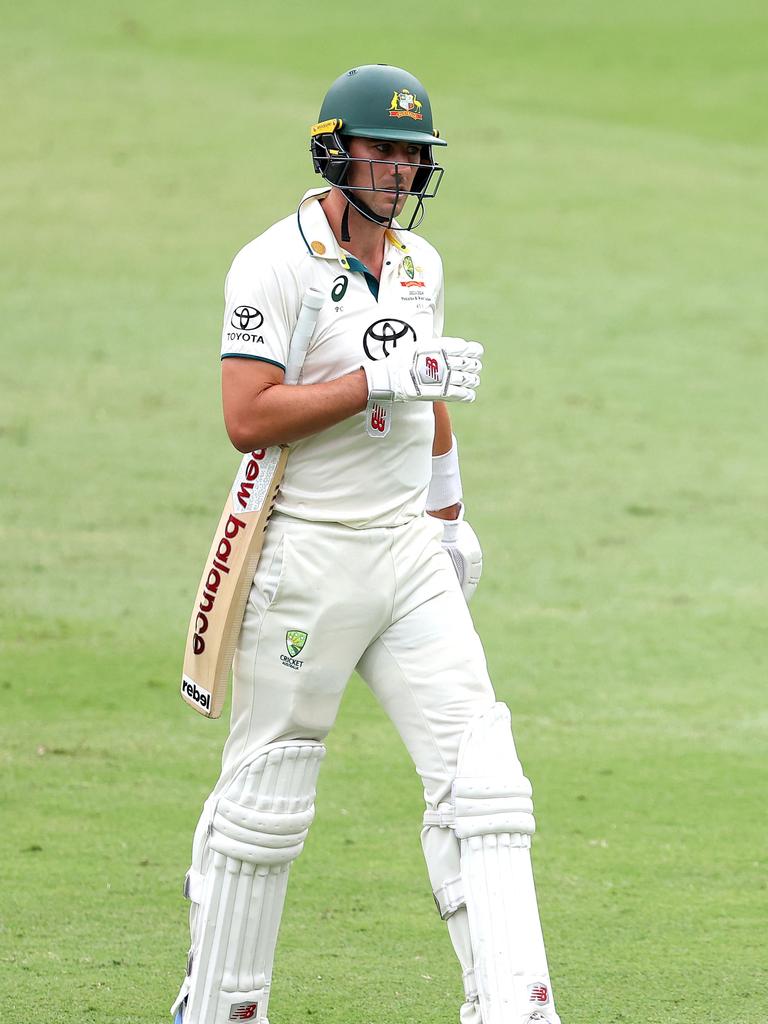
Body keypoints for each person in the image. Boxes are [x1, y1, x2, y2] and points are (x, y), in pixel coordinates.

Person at [172, 64, 561, 1024]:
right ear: (335, 150)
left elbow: (425, 397)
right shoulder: (272, 263)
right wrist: (369, 381)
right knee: (267, 798)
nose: (396, 171)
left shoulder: (421, 265)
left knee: (485, 782)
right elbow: (246, 416)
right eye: (380, 151)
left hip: (407, 556)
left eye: (411, 155)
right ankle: (218, 1008)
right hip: (307, 557)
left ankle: (516, 1007)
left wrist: (450, 515)